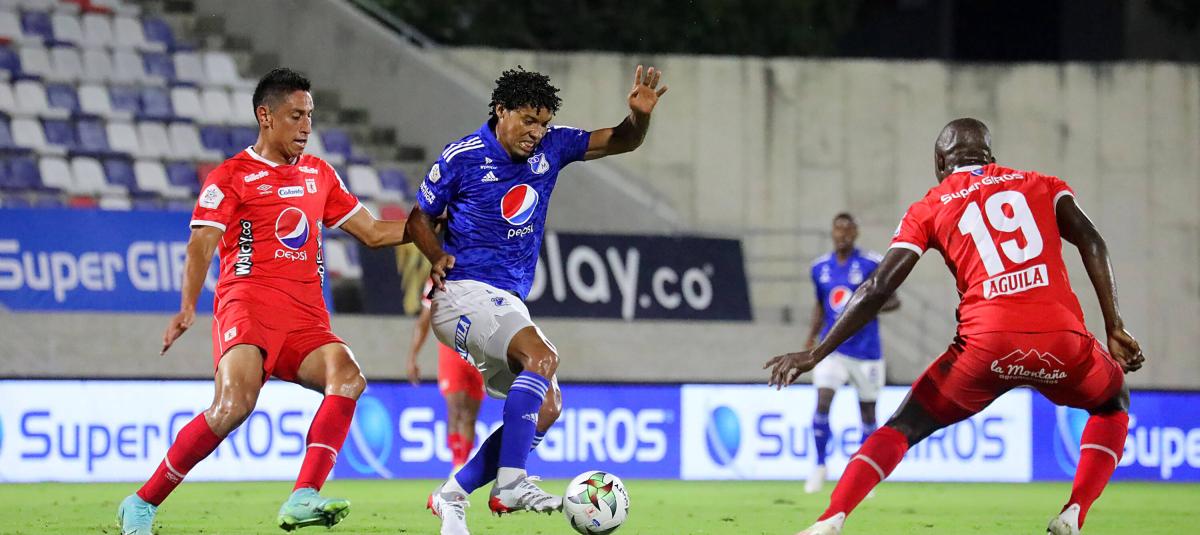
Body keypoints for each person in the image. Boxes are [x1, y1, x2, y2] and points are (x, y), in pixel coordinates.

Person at [767, 118, 1144, 535]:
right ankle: (1074, 512)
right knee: (1112, 403)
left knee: (902, 427)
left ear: (939, 162)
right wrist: (1114, 325)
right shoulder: (1042, 184)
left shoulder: (929, 206)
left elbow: (877, 288)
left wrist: (816, 353)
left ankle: (831, 518)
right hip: (1063, 342)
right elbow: (1092, 241)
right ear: (991, 158)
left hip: (986, 347)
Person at [117, 68, 413, 534]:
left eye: (310, 116)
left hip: (306, 317)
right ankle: (141, 502)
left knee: (348, 377)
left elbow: (374, 232)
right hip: (248, 306)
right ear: (265, 116)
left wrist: (436, 227)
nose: (306, 126)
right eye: (296, 116)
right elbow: (201, 244)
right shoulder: (231, 176)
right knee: (234, 405)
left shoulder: (319, 174)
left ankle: (303, 495)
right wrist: (188, 306)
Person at [406, 65, 667, 535]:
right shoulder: (462, 157)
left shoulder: (553, 146)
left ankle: (452, 495)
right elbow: (418, 219)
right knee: (542, 357)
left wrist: (639, 117)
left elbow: (622, 139)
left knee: (546, 407)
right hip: (461, 291)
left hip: (505, 300)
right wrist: (436, 254)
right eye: (528, 120)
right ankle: (510, 483)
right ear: (501, 111)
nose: (537, 132)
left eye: (543, 123)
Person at [804, 212, 898, 494]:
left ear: (856, 233)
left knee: (868, 414)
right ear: (832, 232)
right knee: (822, 401)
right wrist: (811, 337)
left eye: (847, 229)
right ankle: (819, 465)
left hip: (866, 351)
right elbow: (820, 305)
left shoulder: (871, 263)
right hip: (832, 348)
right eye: (838, 229)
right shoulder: (819, 268)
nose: (842, 234)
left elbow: (893, 300)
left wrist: (865, 308)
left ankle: (863, 476)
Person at [407, 278, 485, 471]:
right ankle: (457, 466)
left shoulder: (484, 272)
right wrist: (413, 357)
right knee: (456, 410)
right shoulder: (438, 279)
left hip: (480, 351)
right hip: (452, 351)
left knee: (470, 415)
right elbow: (424, 320)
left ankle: (462, 463)